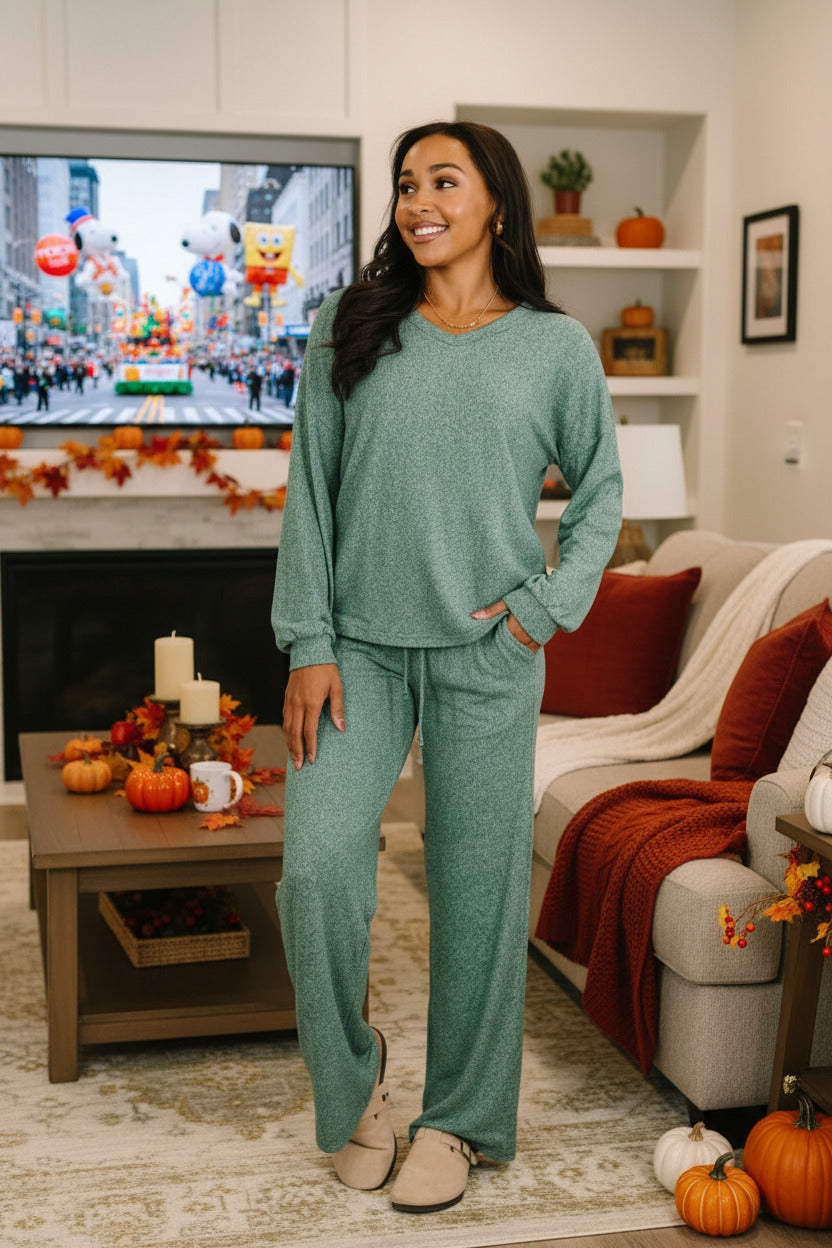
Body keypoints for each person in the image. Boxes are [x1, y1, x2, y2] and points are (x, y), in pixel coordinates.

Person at [270, 120, 622, 1215]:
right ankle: (353, 1088)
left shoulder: (553, 348)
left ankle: (460, 1120)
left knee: (476, 897)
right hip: (358, 656)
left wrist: (539, 612)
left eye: (442, 180)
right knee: (317, 869)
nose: (417, 199)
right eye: (405, 183)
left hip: (486, 656)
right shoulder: (352, 323)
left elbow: (602, 493)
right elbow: (310, 494)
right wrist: (310, 643)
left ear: (497, 205)